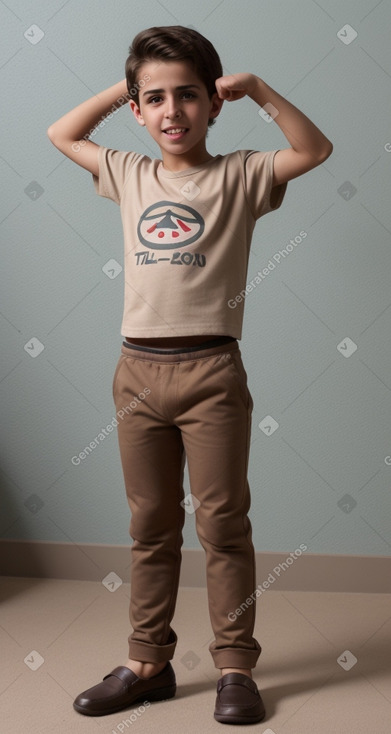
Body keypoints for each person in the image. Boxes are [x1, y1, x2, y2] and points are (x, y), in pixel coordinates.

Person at [47, 25, 332, 725]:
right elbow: (61, 132)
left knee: (223, 523)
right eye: (156, 100)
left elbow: (313, 150)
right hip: (136, 373)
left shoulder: (241, 174)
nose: (172, 111)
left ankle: (235, 665)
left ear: (213, 103)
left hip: (211, 371)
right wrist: (129, 86)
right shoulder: (127, 172)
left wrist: (258, 88)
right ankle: (148, 662)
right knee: (150, 524)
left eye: (188, 96)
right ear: (139, 111)